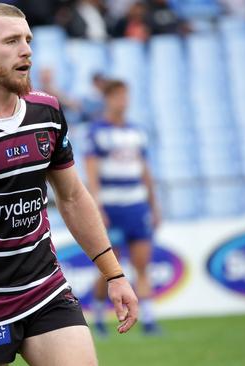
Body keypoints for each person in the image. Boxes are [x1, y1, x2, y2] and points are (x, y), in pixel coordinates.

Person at [0, 3, 138, 365]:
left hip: (44, 291)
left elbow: (74, 197)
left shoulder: (46, 113)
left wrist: (114, 274)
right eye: (12, 40)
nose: (26, 49)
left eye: (28, 39)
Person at [83, 80, 162, 337]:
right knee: (111, 268)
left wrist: (154, 205)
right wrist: (98, 208)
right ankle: (97, 315)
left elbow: (145, 172)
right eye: (118, 96)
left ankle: (149, 320)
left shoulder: (137, 132)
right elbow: (91, 174)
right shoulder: (97, 132)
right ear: (107, 99)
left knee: (142, 264)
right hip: (112, 209)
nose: (123, 101)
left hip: (136, 207)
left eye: (126, 96)